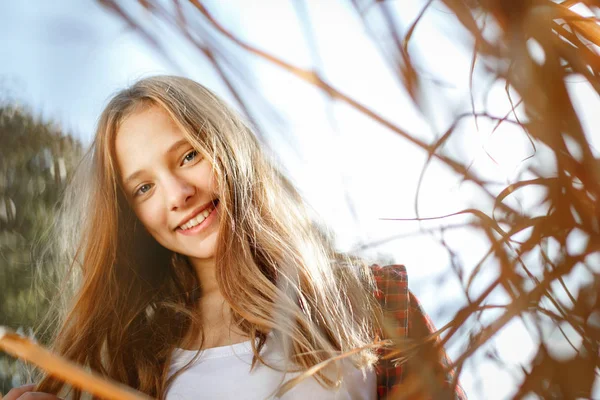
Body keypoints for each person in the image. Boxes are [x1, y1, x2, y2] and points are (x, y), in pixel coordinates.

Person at [4, 76, 466, 400]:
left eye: (187, 156)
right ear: (133, 218)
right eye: (143, 187)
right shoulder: (136, 360)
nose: (178, 195)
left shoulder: (372, 298)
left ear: (229, 147)